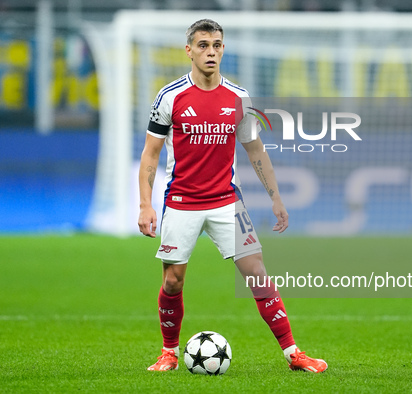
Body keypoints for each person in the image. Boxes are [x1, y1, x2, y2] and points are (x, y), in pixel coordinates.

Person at [138, 19, 327, 373]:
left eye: (217, 45)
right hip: (182, 201)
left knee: (257, 274)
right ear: (189, 50)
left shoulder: (238, 98)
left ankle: (293, 354)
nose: (211, 51)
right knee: (173, 280)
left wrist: (276, 198)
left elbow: (255, 150)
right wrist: (146, 204)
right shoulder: (171, 97)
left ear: (223, 49)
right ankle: (169, 353)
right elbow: (150, 154)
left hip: (227, 201)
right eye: (204, 45)